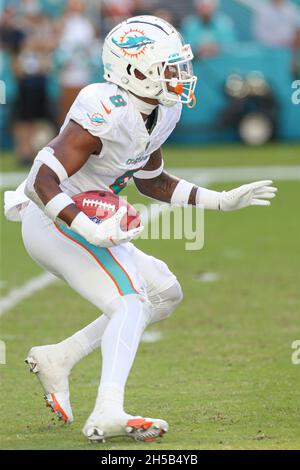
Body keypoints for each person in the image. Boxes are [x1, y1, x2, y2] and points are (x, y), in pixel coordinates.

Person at [5, 15, 277, 443]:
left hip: (90, 220)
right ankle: (108, 410)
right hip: (53, 219)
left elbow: (151, 181)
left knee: (164, 293)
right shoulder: (103, 107)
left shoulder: (161, 111)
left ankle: (61, 356)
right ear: (137, 71)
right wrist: (89, 229)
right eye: (170, 66)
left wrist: (220, 201)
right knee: (130, 301)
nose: (181, 75)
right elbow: (41, 179)